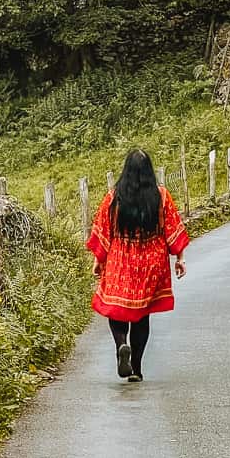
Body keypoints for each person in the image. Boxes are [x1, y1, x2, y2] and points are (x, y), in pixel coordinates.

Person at [86, 149, 189, 382]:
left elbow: (103, 231)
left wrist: (98, 261)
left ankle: (121, 343)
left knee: (116, 310)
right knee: (142, 316)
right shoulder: (161, 196)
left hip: (120, 259)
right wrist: (180, 259)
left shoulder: (113, 198)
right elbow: (172, 229)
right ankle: (137, 369)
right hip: (151, 260)